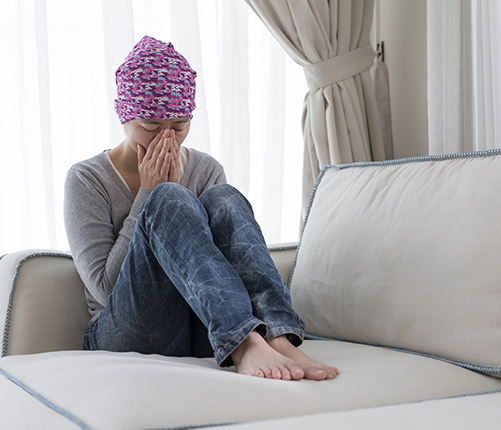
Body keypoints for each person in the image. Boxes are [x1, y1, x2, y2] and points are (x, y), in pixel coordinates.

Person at [64, 35, 338, 381]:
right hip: (124, 331)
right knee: (169, 198)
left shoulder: (206, 169)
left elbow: (223, 269)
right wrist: (150, 193)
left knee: (224, 197)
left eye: (179, 126)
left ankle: (277, 334)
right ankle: (243, 343)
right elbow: (105, 288)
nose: (168, 139)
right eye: (150, 127)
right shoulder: (87, 179)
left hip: (202, 327)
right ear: (125, 118)